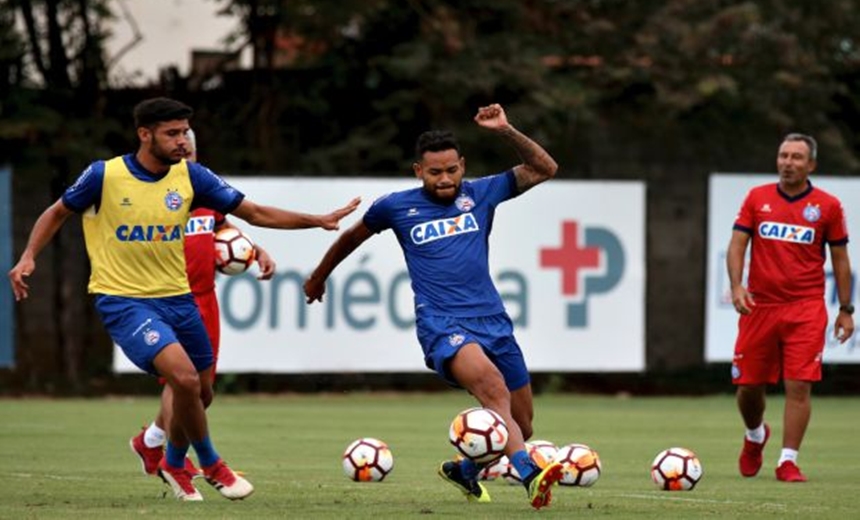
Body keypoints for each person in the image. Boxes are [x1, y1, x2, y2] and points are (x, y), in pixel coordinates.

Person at [8, 97, 360, 501]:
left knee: (201, 393)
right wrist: (29, 255)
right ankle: (212, 464)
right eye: (172, 133)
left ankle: (173, 461)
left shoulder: (192, 177)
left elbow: (256, 213)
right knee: (185, 379)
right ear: (145, 134)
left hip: (179, 298)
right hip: (125, 300)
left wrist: (317, 220)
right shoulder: (104, 175)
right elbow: (56, 212)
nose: (182, 141)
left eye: (184, 133)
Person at [303, 104, 564, 510]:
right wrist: (320, 276)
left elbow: (545, 167)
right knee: (493, 390)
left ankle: (465, 470)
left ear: (462, 165)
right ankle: (530, 474)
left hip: (493, 320)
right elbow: (352, 238)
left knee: (522, 424)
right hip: (442, 323)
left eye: (452, 170)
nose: (445, 180)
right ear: (417, 171)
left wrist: (506, 130)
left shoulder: (482, 193)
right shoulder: (394, 207)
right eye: (434, 172)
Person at [129, 129, 276, 479]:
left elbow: (225, 228)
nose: (185, 160)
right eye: (180, 154)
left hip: (204, 298)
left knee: (202, 392)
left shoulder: (204, 193)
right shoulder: (152, 196)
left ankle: (151, 441)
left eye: (190, 154)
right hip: (164, 297)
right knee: (183, 382)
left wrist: (256, 251)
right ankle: (180, 460)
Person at [727, 133, 854, 483]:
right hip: (760, 306)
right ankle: (755, 436)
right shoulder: (757, 198)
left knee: (799, 384)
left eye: (797, 157)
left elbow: (841, 260)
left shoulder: (827, 206)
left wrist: (846, 309)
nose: (788, 162)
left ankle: (788, 461)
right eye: (783, 155)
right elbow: (737, 245)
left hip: (806, 307)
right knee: (748, 386)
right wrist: (737, 285)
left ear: (811, 164)